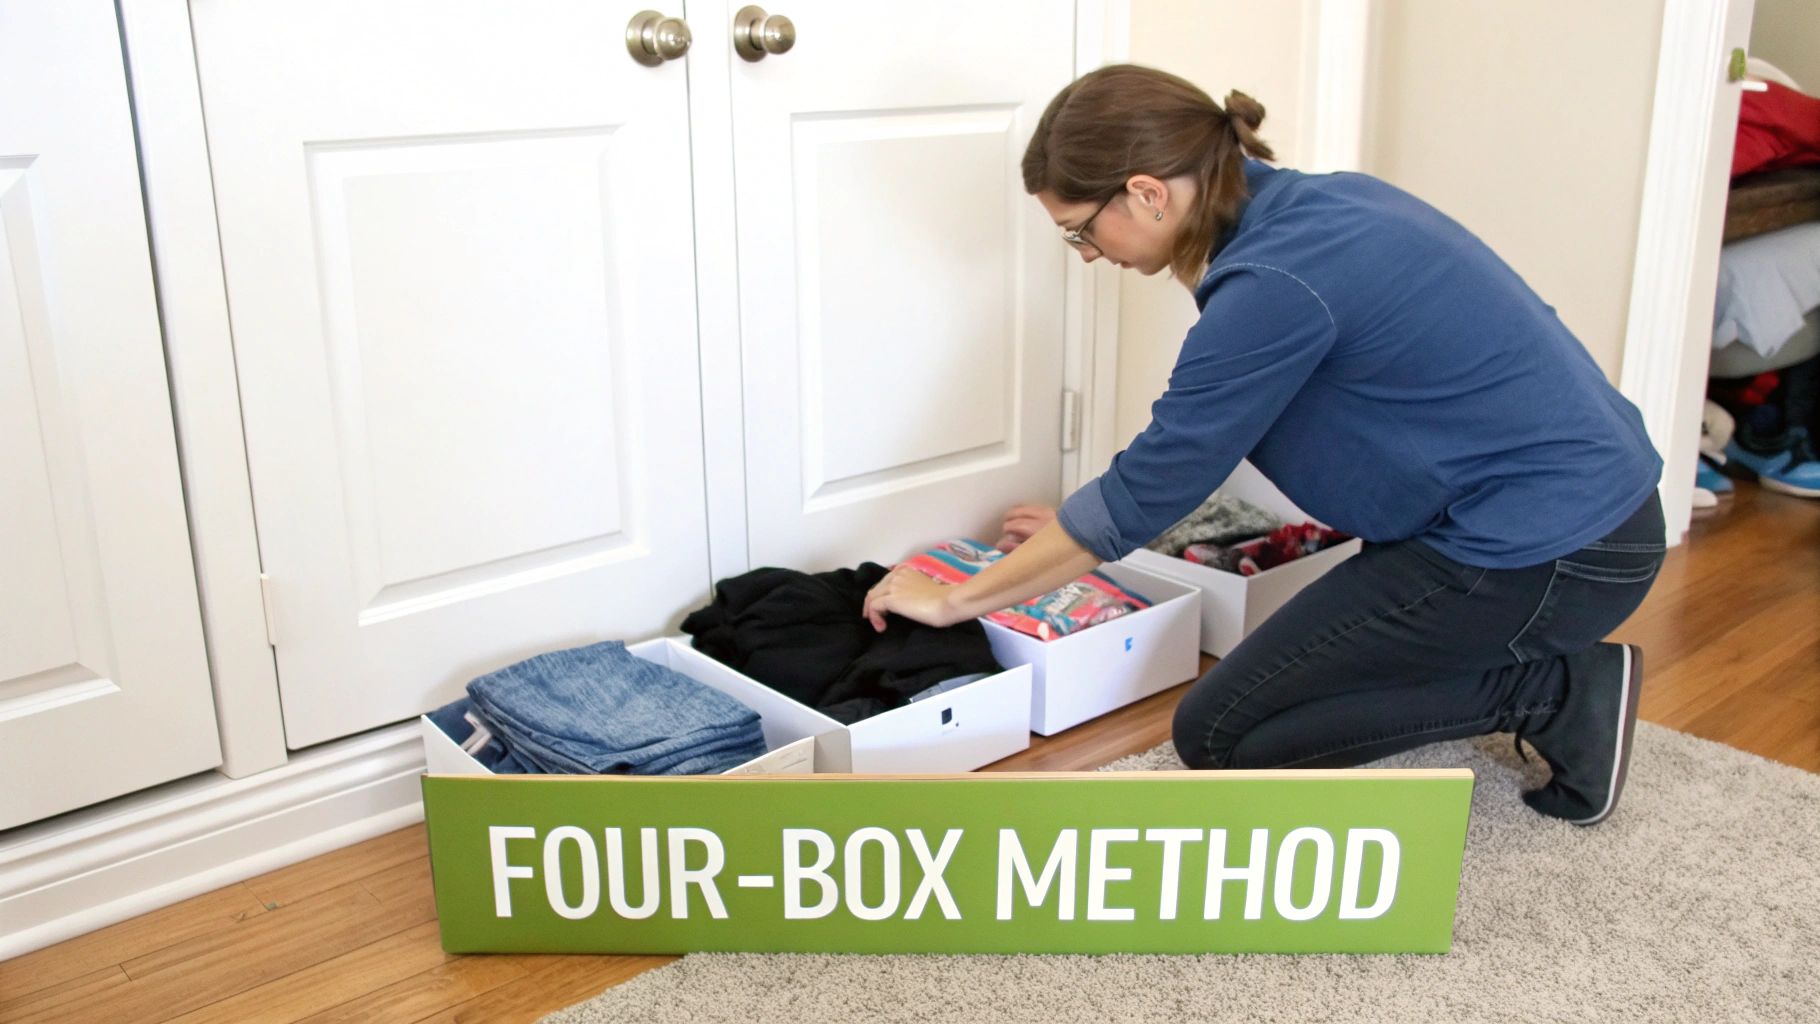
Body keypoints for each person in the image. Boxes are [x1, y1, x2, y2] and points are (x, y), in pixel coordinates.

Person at [860, 64, 1666, 826]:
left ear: (1145, 193)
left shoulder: (1273, 284)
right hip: (1561, 515)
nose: (1089, 256)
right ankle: (1514, 664)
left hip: (1554, 553)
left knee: (1221, 736)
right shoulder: (1315, 211)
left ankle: (1554, 689)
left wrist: (957, 597)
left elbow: (1158, 475)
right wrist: (1083, 534)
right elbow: (1203, 437)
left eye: (1079, 232)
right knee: (1290, 690)